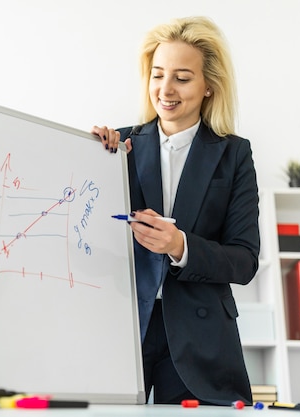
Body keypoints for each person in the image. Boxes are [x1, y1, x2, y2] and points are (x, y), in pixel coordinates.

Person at [91, 16, 260, 406]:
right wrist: (93, 165)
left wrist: (181, 245)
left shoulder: (234, 154)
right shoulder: (119, 147)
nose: (165, 90)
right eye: (157, 75)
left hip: (201, 340)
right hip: (122, 329)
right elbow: (89, 244)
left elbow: (244, 260)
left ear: (208, 87)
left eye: (182, 78)